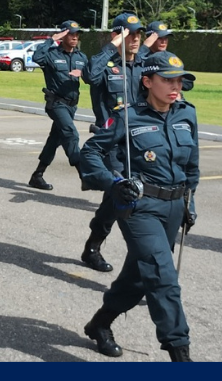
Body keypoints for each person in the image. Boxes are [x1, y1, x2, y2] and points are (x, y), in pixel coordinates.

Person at [79, 51, 200, 361]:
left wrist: (190, 201)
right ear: (147, 81)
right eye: (167, 80)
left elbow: (192, 167)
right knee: (163, 278)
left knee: (138, 278)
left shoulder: (187, 114)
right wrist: (114, 183)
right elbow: (90, 153)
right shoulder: (126, 116)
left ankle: (99, 324)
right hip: (139, 207)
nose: (176, 87)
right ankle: (180, 355)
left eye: (180, 81)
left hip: (173, 207)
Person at [81, 12, 146, 272]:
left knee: (115, 200)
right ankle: (142, 265)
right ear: (118, 35)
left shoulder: (144, 65)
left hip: (140, 143)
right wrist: (113, 46)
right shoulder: (105, 65)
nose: (135, 38)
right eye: (129, 34)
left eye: (138, 34)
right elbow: (89, 75)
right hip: (112, 145)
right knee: (125, 198)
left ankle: (93, 246)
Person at [28, 21, 89, 190]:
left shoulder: (81, 57)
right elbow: (36, 57)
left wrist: (83, 73)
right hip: (55, 103)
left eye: (77, 34)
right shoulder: (51, 54)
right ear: (63, 35)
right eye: (71, 34)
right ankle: (84, 174)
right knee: (71, 133)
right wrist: (51, 40)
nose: (75, 37)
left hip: (72, 106)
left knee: (55, 139)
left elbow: (92, 76)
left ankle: (37, 175)